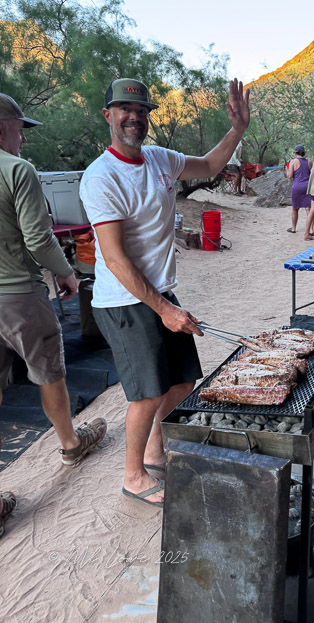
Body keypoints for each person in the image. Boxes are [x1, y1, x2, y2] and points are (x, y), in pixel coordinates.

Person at [79, 77, 250, 507]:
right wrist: (163, 309)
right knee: (148, 391)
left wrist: (237, 130)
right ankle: (133, 476)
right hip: (123, 300)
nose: (134, 117)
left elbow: (211, 166)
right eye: (124, 110)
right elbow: (115, 259)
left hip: (158, 293)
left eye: (141, 111)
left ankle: (155, 451)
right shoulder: (101, 177)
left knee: (183, 381)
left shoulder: (159, 160)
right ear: (109, 116)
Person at [0, 93, 108, 536]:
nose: (24, 136)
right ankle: (70, 444)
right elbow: (38, 239)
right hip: (19, 296)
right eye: (19, 127)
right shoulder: (16, 170)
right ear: (3, 127)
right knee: (49, 372)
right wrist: (65, 274)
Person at [286, 144, 312, 234]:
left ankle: (293, 228)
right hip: (307, 187)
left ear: (295, 153)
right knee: (308, 208)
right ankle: (311, 230)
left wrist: (287, 170)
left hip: (297, 187)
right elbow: (311, 174)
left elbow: (290, 176)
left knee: (295, 208)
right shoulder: (309, 162)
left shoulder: (293, 162)